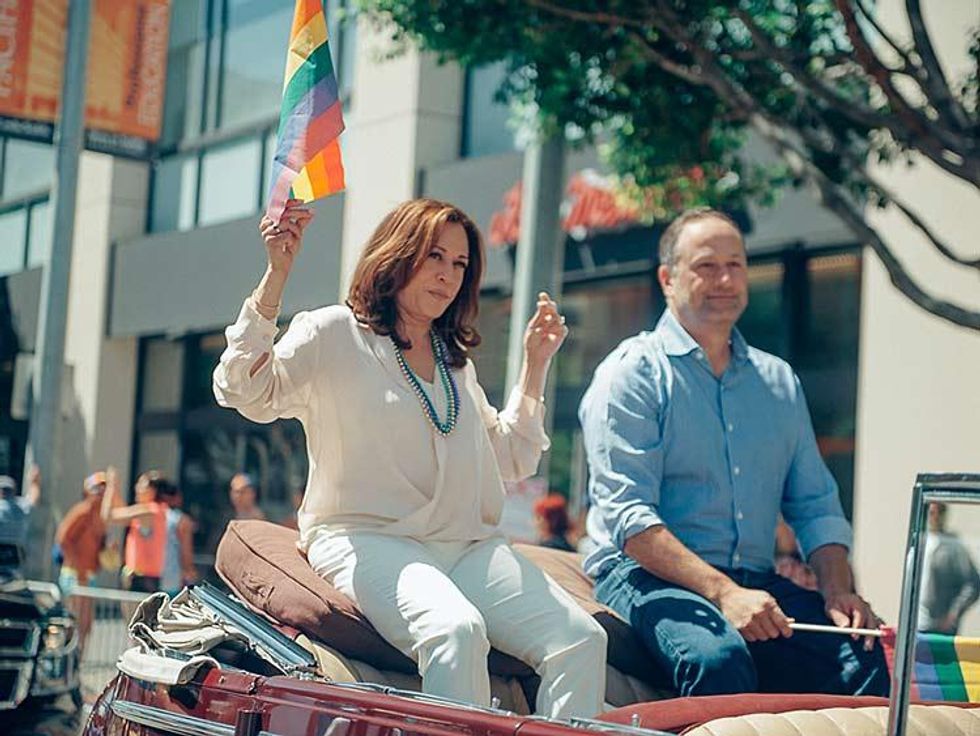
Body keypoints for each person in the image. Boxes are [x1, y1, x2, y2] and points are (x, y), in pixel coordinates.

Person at [213, 197, 607, 717]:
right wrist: (276, 275)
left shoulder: (455, 367)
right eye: (435, 257)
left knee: (581, 639)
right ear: (398, 254)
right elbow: (242, 388)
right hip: (366, 538)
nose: (447, 275)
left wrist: (535, 365)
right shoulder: (335, 333)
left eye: (460, 264)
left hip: (468, 548)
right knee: (456, 630)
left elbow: (510, 458)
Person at [579, 207, 888, 697]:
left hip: (752, 578)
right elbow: (631, 521)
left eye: (736, 264)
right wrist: (724, 593)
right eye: (706, 266)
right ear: (667, 278)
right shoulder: (632, 374)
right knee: (718, 659)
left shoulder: (778, 381)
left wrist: (838, 589)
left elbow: (815, 505)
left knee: (864, 655)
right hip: (643, 575)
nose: (724, 279)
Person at [56, 471, 108, 652]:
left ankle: (76, 666)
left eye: (104, 488)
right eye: (97, 488)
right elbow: (63, 539)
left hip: (87, 576)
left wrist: (109, 553)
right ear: (87, 490)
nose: (101, 491)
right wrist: (79, 571)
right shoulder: (83, 510)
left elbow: (98, 550)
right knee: (74, 624)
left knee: (85, 625)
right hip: (75, 575)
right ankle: (66, 666)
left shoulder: (100, 516)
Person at [102, 468, 168, 593]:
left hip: (142, 579)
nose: (136, 488)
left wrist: (110, 486)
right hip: (144, 578)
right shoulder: (155, 510)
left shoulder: (148, 511)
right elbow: (122, 511)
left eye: (141, 485)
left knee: (135, 612)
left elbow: (108, 516)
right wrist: (115, 489)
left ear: (152, 491)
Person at [918, 502, 980, 635]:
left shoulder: (953, 546)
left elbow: (973, 583)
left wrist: (953, 614)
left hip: (940, 626)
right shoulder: (919, 542)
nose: (934, 517)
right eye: (931, 512)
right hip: (917, 623)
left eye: (938, 513)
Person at [158, 482, 199, 598]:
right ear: (177, 497)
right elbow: (186, 552)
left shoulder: (148, 515)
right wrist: (190, 572)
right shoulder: (181, 520)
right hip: (171, 579)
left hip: (147, 577)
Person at [0, 466, 40, 568]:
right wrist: (34, 481)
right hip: (15, 553)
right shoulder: (21, 507)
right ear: (13, 491)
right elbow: (33, 498)